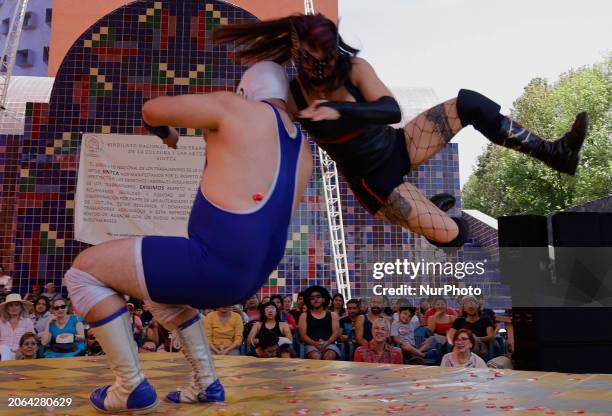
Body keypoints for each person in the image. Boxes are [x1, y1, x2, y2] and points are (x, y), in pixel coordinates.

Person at [63, 61, 312, 412]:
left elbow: (152, 109)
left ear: (245, 92)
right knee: (164, 298)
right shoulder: (302, 148)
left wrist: (165, 133)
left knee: (84, 272)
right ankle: (206, 384)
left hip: (213, 261)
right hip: (251, 276)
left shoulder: (236, 107)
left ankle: (129, 385)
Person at [214, 14, 588, 247]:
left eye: (327, 59)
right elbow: (271, 138)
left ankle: (556, 154)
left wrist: (338, 109)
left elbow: (389, 109)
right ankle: (434, 219)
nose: (322, 69)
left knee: (469, 103)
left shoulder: (355, 69)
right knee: (457, 236)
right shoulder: (293, 98)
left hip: (400, 145)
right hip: (375, 183)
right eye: (314, 60)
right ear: (298, 51)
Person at [299, 285, 341, 360]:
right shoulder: (304, 316)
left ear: (323, 299)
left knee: (330, 355)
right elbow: (303, 335)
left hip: (329, 344)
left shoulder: (333, 315)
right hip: (310, 345)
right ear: (310, 302)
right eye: (312, 298)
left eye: (318, 297)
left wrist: (326, 343)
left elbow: (335, 333)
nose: (315, 299)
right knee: (315, 356)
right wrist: (315, 343)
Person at [0, 294, 34, 361]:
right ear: (7, 308)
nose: (14, 308)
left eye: (16, 305)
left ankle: (6, 369)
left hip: (21, 353)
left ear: (21, 307)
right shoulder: (0, 322)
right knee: (4, 349)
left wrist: (21, 350)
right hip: (1, 352)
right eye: (11, 305)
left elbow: (31, 340)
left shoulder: (27, 321)